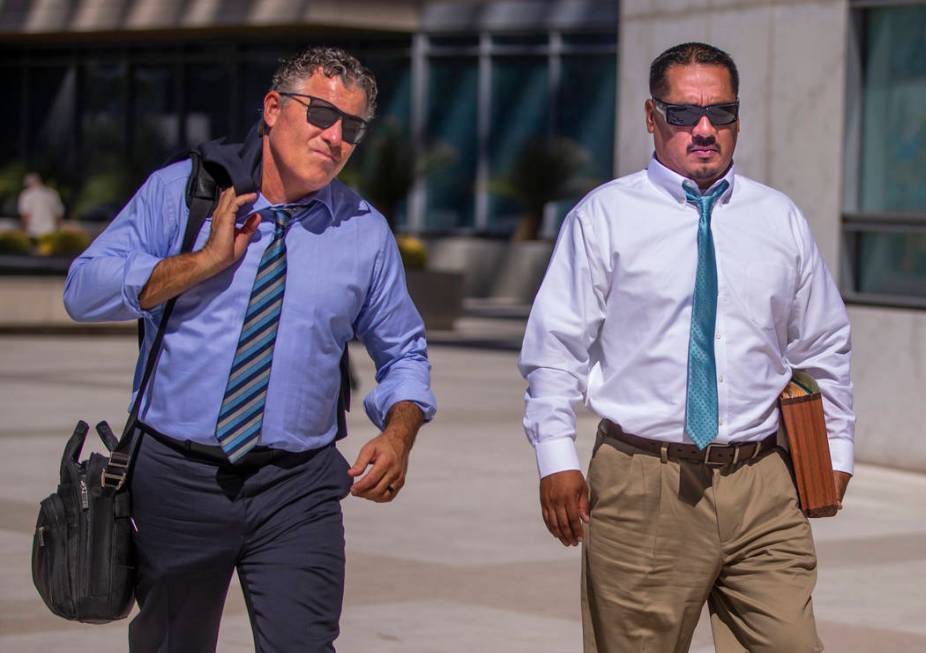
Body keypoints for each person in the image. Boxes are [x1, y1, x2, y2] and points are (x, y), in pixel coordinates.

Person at [64, 46, 435, 652]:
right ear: (272, 108)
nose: (334, 136)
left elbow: (405, 353)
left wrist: (398, 434)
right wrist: (202, 263)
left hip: (300, 486)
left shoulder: (363, 231)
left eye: (352, 126)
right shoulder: (184, 193)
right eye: (319, 114)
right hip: (177, 477)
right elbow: (83, 291)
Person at [519, 42, 853, 653]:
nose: (703, 130)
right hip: (644, 481)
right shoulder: (604, 218)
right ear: (652, 118)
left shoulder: (779, 220)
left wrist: (840, 448)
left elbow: (824, 344)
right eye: (683, 114)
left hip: (762, 483)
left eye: (720, 114)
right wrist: (556, 457)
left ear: (737, 120)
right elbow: (555, 349)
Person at [18, 172, 64, 239]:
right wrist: (58, 230)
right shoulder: (52, 194)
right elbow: (59, 214)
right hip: (50, 231)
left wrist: (23, 231)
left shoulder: (26, 195)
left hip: (33, 232)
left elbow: (25, 215)